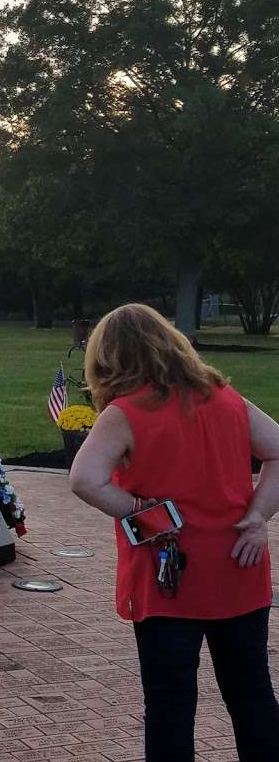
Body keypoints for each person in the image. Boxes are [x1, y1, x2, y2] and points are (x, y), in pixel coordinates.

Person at [70, 303, 279, 762]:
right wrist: (258, 515)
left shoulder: (125, 412)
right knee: (252, 698)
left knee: (170, 706)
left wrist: (144, 514)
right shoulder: (227, 398)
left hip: (169, 578)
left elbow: (85, 479)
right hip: (238, 568)